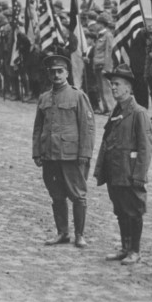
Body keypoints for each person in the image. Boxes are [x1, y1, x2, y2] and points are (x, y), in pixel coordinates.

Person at [32, 53, 95, 248]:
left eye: (60, 71)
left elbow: (88, 127)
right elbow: (38, 128)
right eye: (53, 72)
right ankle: (62, 233)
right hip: (50, 155)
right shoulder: (44, 98)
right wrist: (37, 151)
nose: (56, 75)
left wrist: (85, 153)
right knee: (56, 194)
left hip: (71, 155)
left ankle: (79, 235)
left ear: (67, 73)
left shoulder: (78, 96)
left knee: (78, 194)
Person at [94, 63, 152, 265]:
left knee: (133, 211)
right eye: (111, 84)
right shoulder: (116, 110)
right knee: (120, 210)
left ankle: (135, 250)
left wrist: (139, 175)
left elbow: (145, 147)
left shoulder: (138, 113)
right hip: (115, 171)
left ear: (128, 87)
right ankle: (125, 247)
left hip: (129, 172)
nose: (113, 88)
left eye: (117, 84)